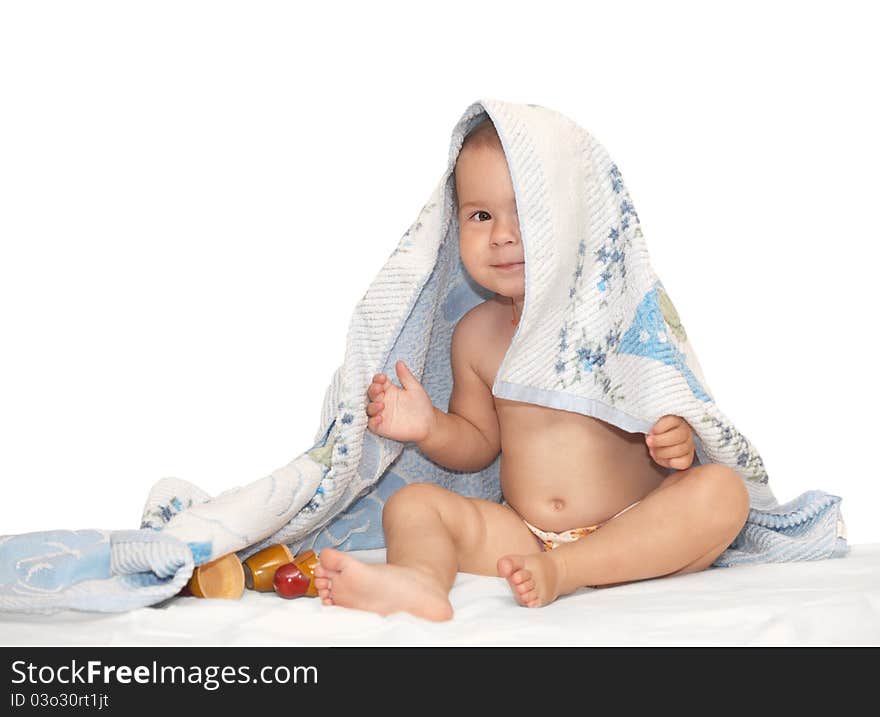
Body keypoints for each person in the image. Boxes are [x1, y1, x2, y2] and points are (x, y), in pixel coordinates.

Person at [313, 119, 750, 621]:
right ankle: (419, 580)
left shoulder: (615, 317)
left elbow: (667, 397)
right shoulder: (477, 335)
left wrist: (676, 440)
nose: (502, 236)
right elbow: (479, 442)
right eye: (480, 215)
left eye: (527, 213)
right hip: (523, 535)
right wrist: (429, 426)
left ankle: (570, 571)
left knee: (722, 492)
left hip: (631, 525)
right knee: (413, 505)